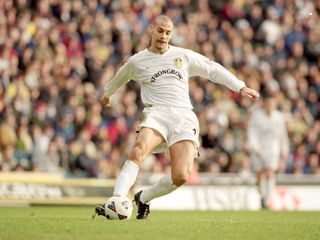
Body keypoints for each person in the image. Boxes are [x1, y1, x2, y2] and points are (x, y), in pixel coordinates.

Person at [94, 15, 260, 219]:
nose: (164, 36)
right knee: (138, 150)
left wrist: (240, 86)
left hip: (183, 117)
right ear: (151, 29)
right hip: (156, 114)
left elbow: (212, 69)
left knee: (181, 175)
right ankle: (116, 199)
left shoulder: (183, 55)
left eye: (168, 32)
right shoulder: (137, 61)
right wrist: (106, 95)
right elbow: (118, 77)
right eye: (160, 30)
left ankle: (143, 198)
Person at [247, 91, 289, 209]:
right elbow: (251, 133)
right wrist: (255, 148)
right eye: (268, 102)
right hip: (258, 149)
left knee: (270, 172)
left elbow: (283, 136)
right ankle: (262, 196)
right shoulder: (256, 116)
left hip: (272, 149)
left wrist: (284, 153)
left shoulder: (279, 117)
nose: (270, 105)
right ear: (264, 103)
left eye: (273, 103)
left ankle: (268, 199)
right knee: (260, 174)